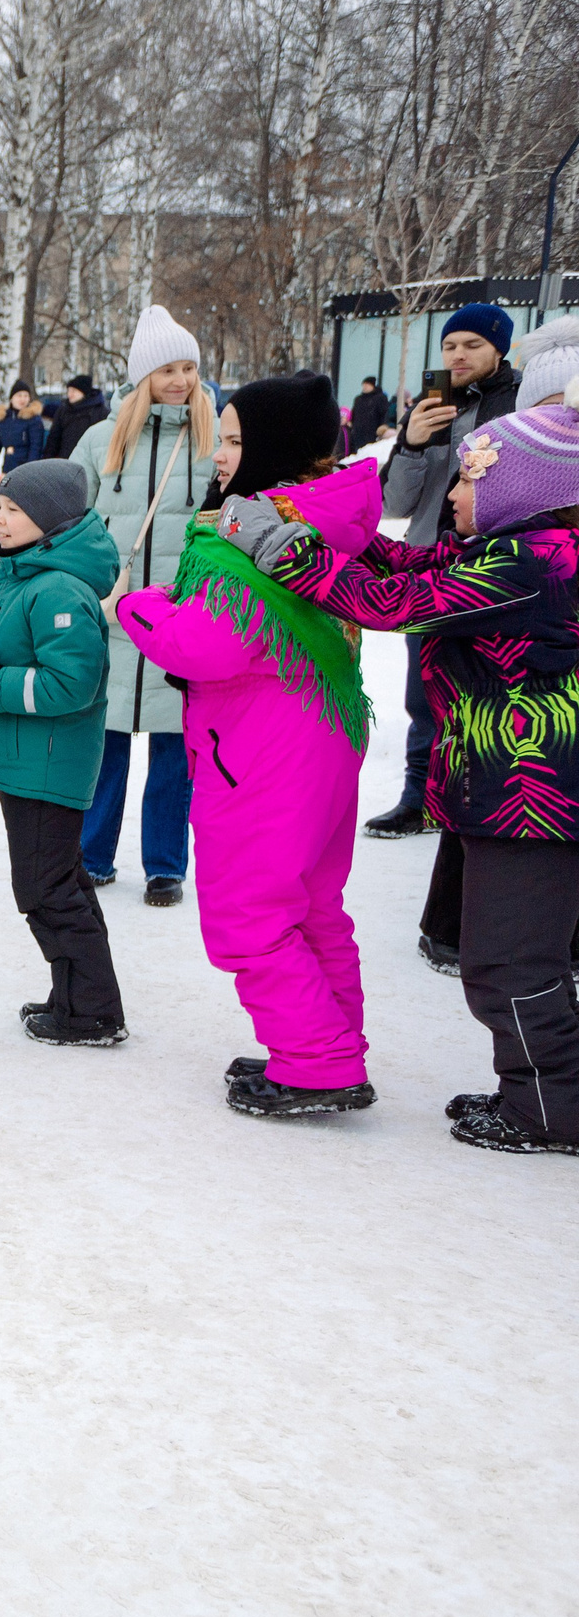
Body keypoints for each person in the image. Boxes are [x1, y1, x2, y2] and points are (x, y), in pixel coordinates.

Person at [252, 381, 579, 1153]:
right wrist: (321, 522)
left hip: (535, 800)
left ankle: (550, 1107)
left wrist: (282, 549)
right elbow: (411, 561)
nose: (455, 494)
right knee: (510, 954)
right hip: (514, 794)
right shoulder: (511, 550)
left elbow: (396, 600)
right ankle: (535, 1085)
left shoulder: (534, 562)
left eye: (470, 480)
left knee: (509, 959)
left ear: (522, 494)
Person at [116, 378, 379, 1118]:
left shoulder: (257, 537)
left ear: (274, 448)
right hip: (313, 741)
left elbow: (203, 643)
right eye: (221, 438)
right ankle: (329, 1042)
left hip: (262, 756)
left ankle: (318, 1064)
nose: (222, 455)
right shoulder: (317, 517)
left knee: (253, 914)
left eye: (235, 440)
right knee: (314, 907)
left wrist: (139, 605)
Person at [0, 459, 126, 1046]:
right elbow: (18, 651)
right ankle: (77, 996)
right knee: (60, 879)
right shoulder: (26, 576)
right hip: (31, 760)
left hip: (49, 762)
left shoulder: (57, 589)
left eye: (14, 510)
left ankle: (92, 1011)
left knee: (45, 888)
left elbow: (69, 685)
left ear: (49, 522)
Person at [74, 306, 216, 905]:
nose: (180, 380)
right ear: (141, 376)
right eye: (167, 369)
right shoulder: (101, 439)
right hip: (111, 615)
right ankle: (91, 857)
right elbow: (71, 518)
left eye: (188, 368)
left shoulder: (211, 435)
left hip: (179, 618)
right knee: (104, 747)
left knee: (171, 753)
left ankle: (165, 865)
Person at [367, 301, 520, 838]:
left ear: (499, 348)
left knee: (489, 689)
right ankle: (418, 796)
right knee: (423, 691)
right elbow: (395, 504)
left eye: (472, 345)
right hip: (430, 561)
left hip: (495, 566)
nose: (458, 355)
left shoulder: (520, 403)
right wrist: (411, 443)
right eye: (450, 345)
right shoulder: (430, 406)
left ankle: (480, 798)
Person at [46, 373, 108, 460]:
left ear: (83, 392)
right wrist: (48, 460)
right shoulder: (63, 410)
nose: (69, 394)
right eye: (68, 391)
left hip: (89, 461)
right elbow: (54, 439)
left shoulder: (100, 412)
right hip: (65, 460)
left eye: (74, 391)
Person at [0, 382, 50, 471]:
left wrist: (29, 469)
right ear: (12, 398)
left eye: (26, 396)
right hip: (8, 467)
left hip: (25, 468)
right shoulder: (4, 419)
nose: (22, 399)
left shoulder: (33, 419)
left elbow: (36, 447)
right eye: (19, 395)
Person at [345, 375, 392, 455]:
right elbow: (354, 413)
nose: (364, 387)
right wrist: (351, 422)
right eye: (363, 385)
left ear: (372, 386)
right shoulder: (359, 399)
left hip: (372, 432)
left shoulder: (380, 398)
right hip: (358, 432)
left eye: (367, 385)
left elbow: (384, 413)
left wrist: (383, 426)